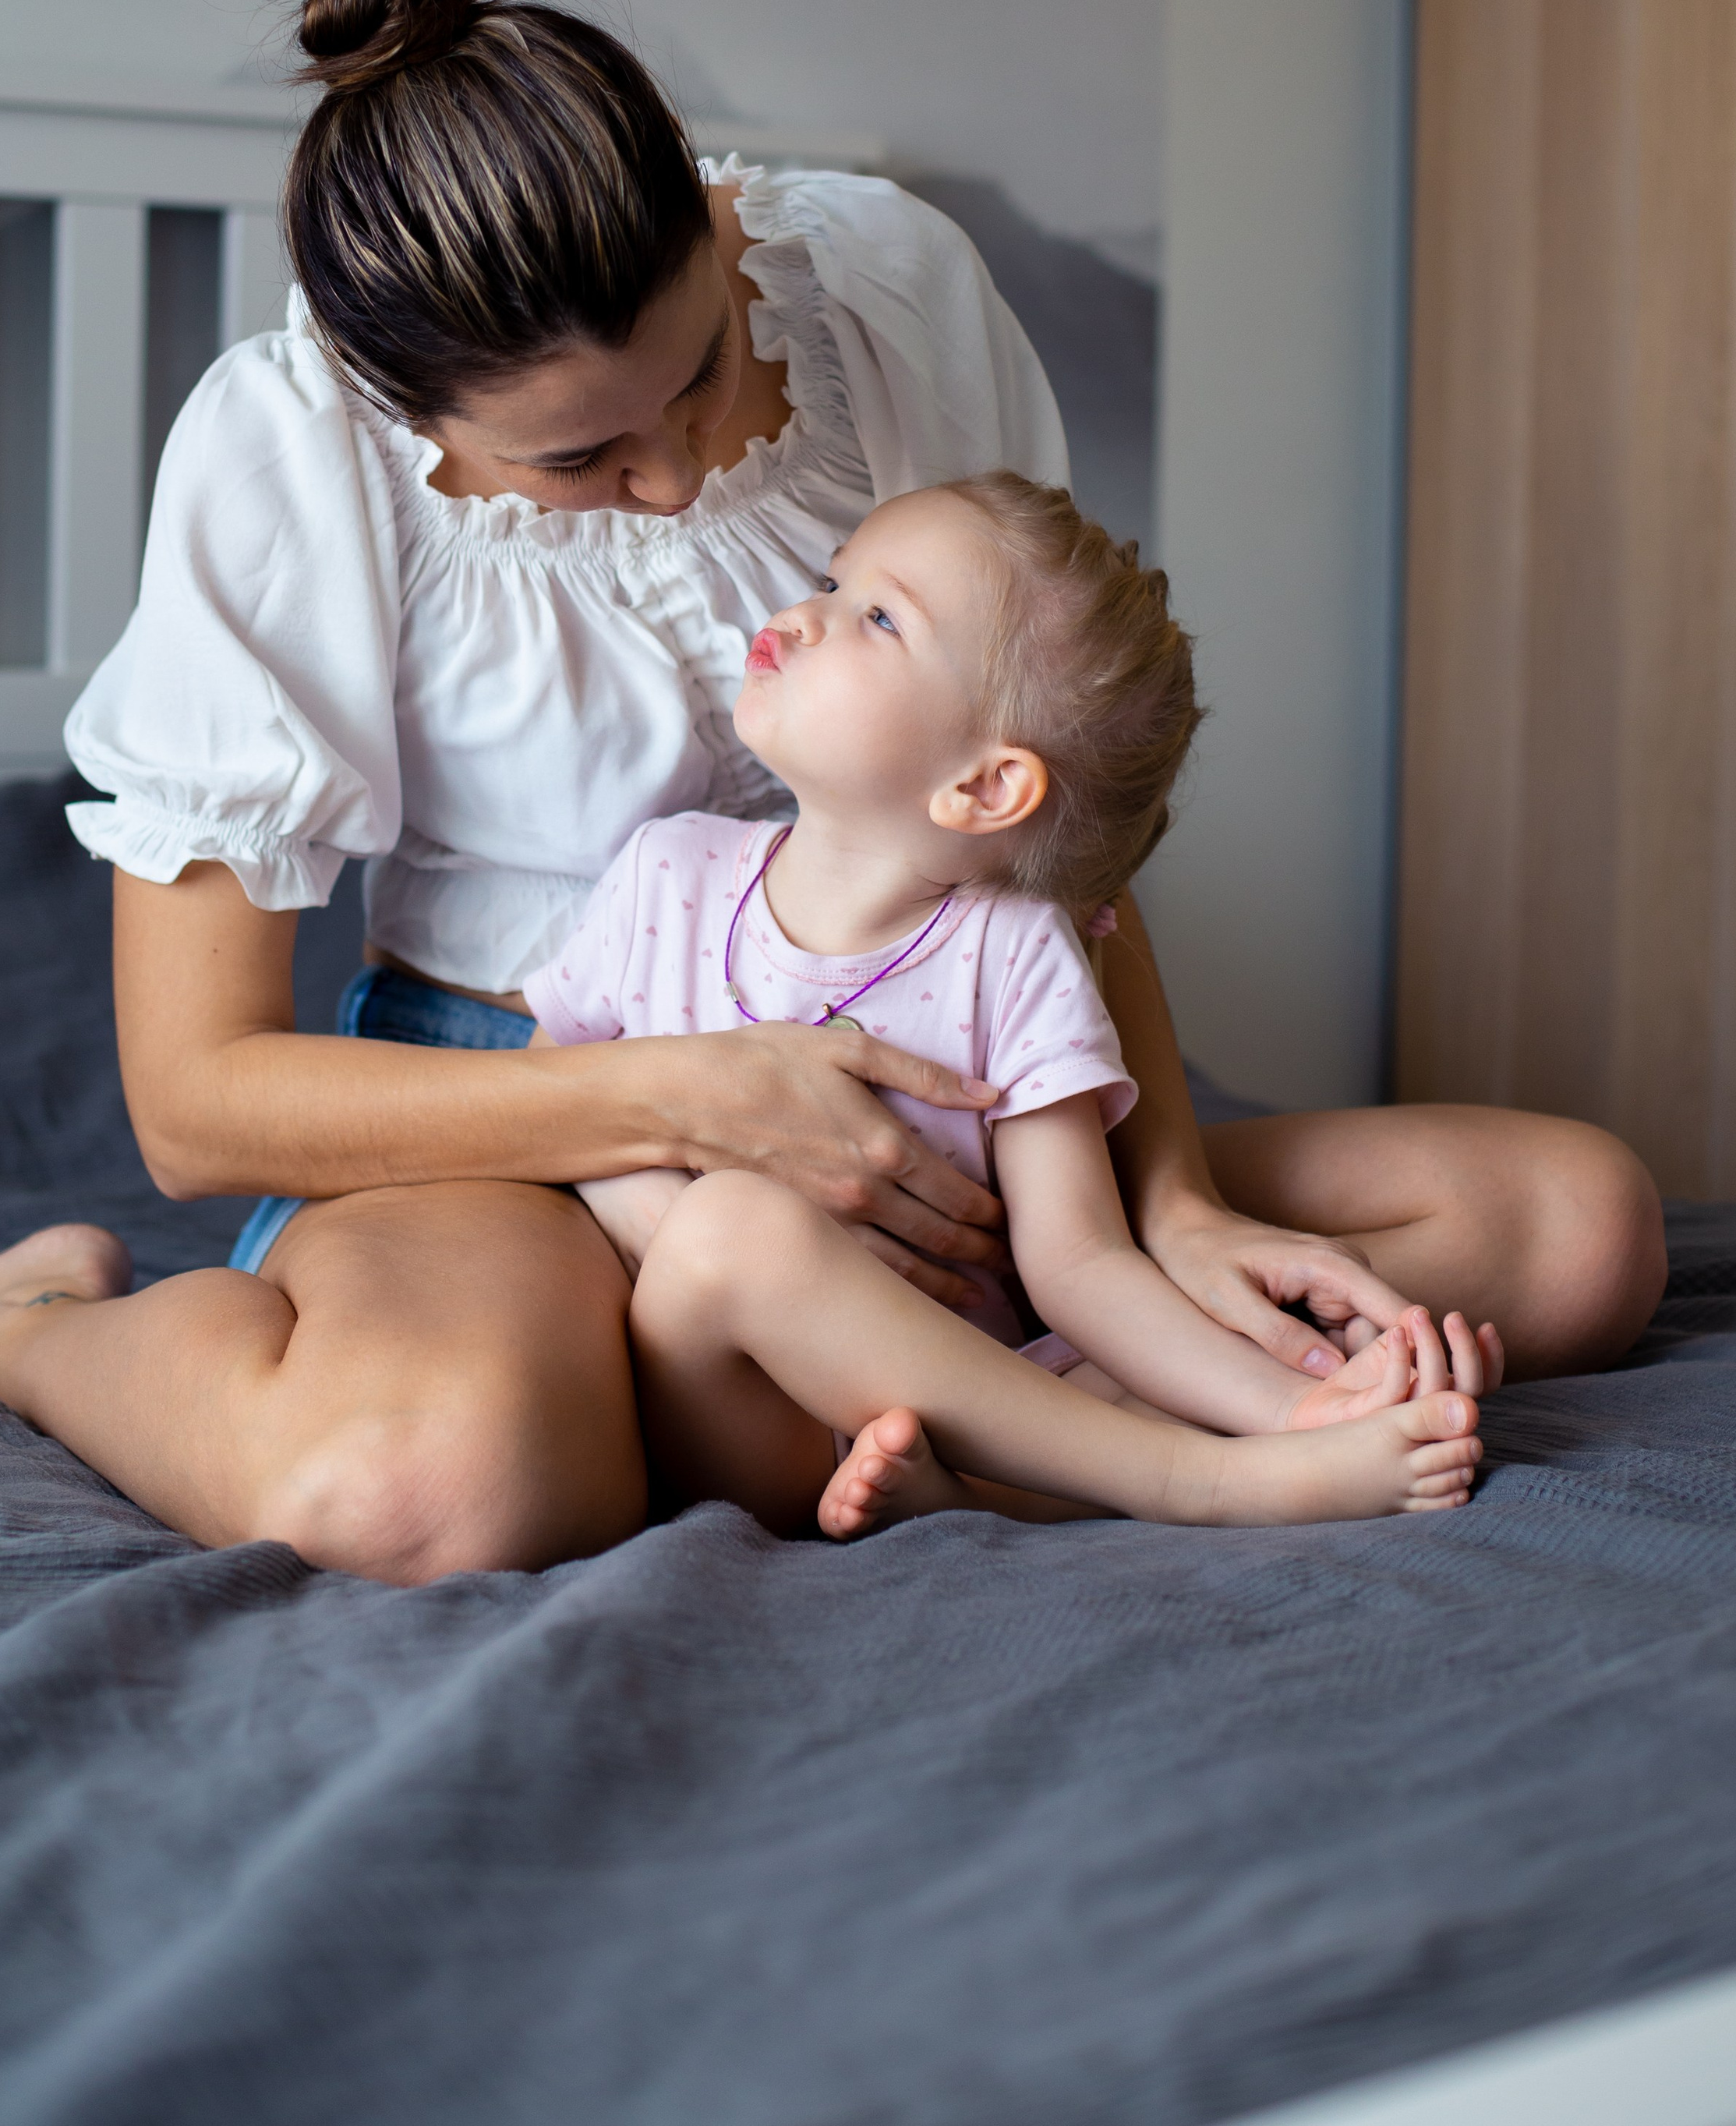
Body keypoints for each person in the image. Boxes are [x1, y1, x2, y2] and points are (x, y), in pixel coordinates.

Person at [0, 0, 1664, 1585]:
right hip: (530, 1116)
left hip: (948, 1069)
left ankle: (841, 1406)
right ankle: (24, 1321)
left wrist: (1170, 1195)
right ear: (393, 394)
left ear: (717, 223)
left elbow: (1035, 803)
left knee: (1572, 1229)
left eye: (700, 373)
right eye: (577, 463)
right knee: (429, 1483)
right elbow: (194, 1102)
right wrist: (690, 1099)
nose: (667, 475)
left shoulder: (888, 287)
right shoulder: (289, 461)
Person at [537, 473, 1490, 1540]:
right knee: (732, 1229)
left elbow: (1080, 1263)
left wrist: (1302, 1405)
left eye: (878, 618)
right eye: (832, 582)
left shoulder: (1019, 947)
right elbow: (552, 1104)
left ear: (986, 789)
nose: (801, 617)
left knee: (1125, 1350)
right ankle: (1200, 1481)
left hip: (965, 1403)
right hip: (741, 1411)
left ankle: (1001, 1482)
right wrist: (669, 1227)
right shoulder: (669, 874)